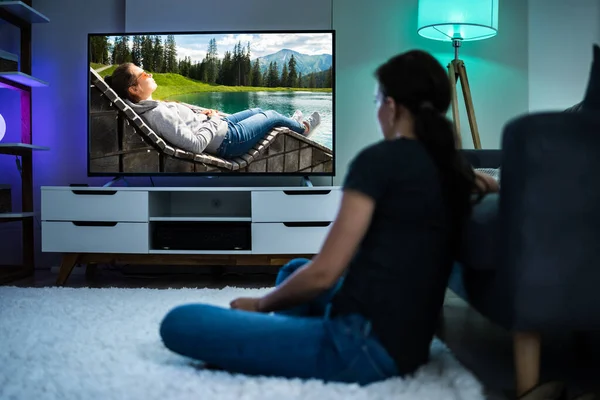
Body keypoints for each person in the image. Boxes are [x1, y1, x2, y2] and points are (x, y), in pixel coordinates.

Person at [158, 49, 490, 385]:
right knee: (293, 270)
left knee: (181, 321)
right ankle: (286, 340)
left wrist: (260, 306)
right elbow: (490, 183)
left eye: (377, 100)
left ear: (391, 106)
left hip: (360, 345)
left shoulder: (380, 161)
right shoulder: (453, 168)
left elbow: (325, 275)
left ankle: (285, 342)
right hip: (409, 341)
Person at [104, 62, 321, 159]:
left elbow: (186, 124)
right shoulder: (156, 114)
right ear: (133, 89)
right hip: (229, 141)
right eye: (144, 75)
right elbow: (195, 145)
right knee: (271, 115)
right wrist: (214, 120)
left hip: (219, 128)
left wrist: (202, 115)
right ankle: (302, 128)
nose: (149, 75)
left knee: (256, 108)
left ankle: (290, 123)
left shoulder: (149, 106)